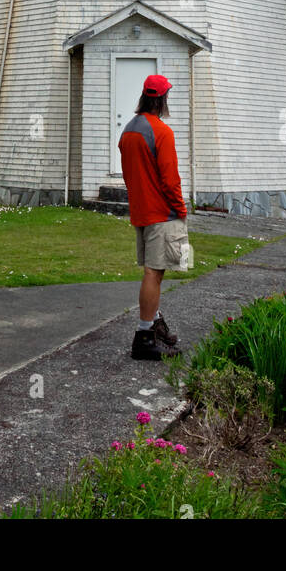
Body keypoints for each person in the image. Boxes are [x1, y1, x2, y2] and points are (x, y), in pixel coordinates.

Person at [118, 73, 189, 360]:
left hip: (141, 210)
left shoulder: (128, 130)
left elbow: (128, 173)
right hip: (162, 212)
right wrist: (181, 209)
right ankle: (145, 336)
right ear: (162, 99)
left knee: (151, 271)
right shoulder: (162, 131)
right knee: (154, 273)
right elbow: (170, 179)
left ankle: (155, 323)